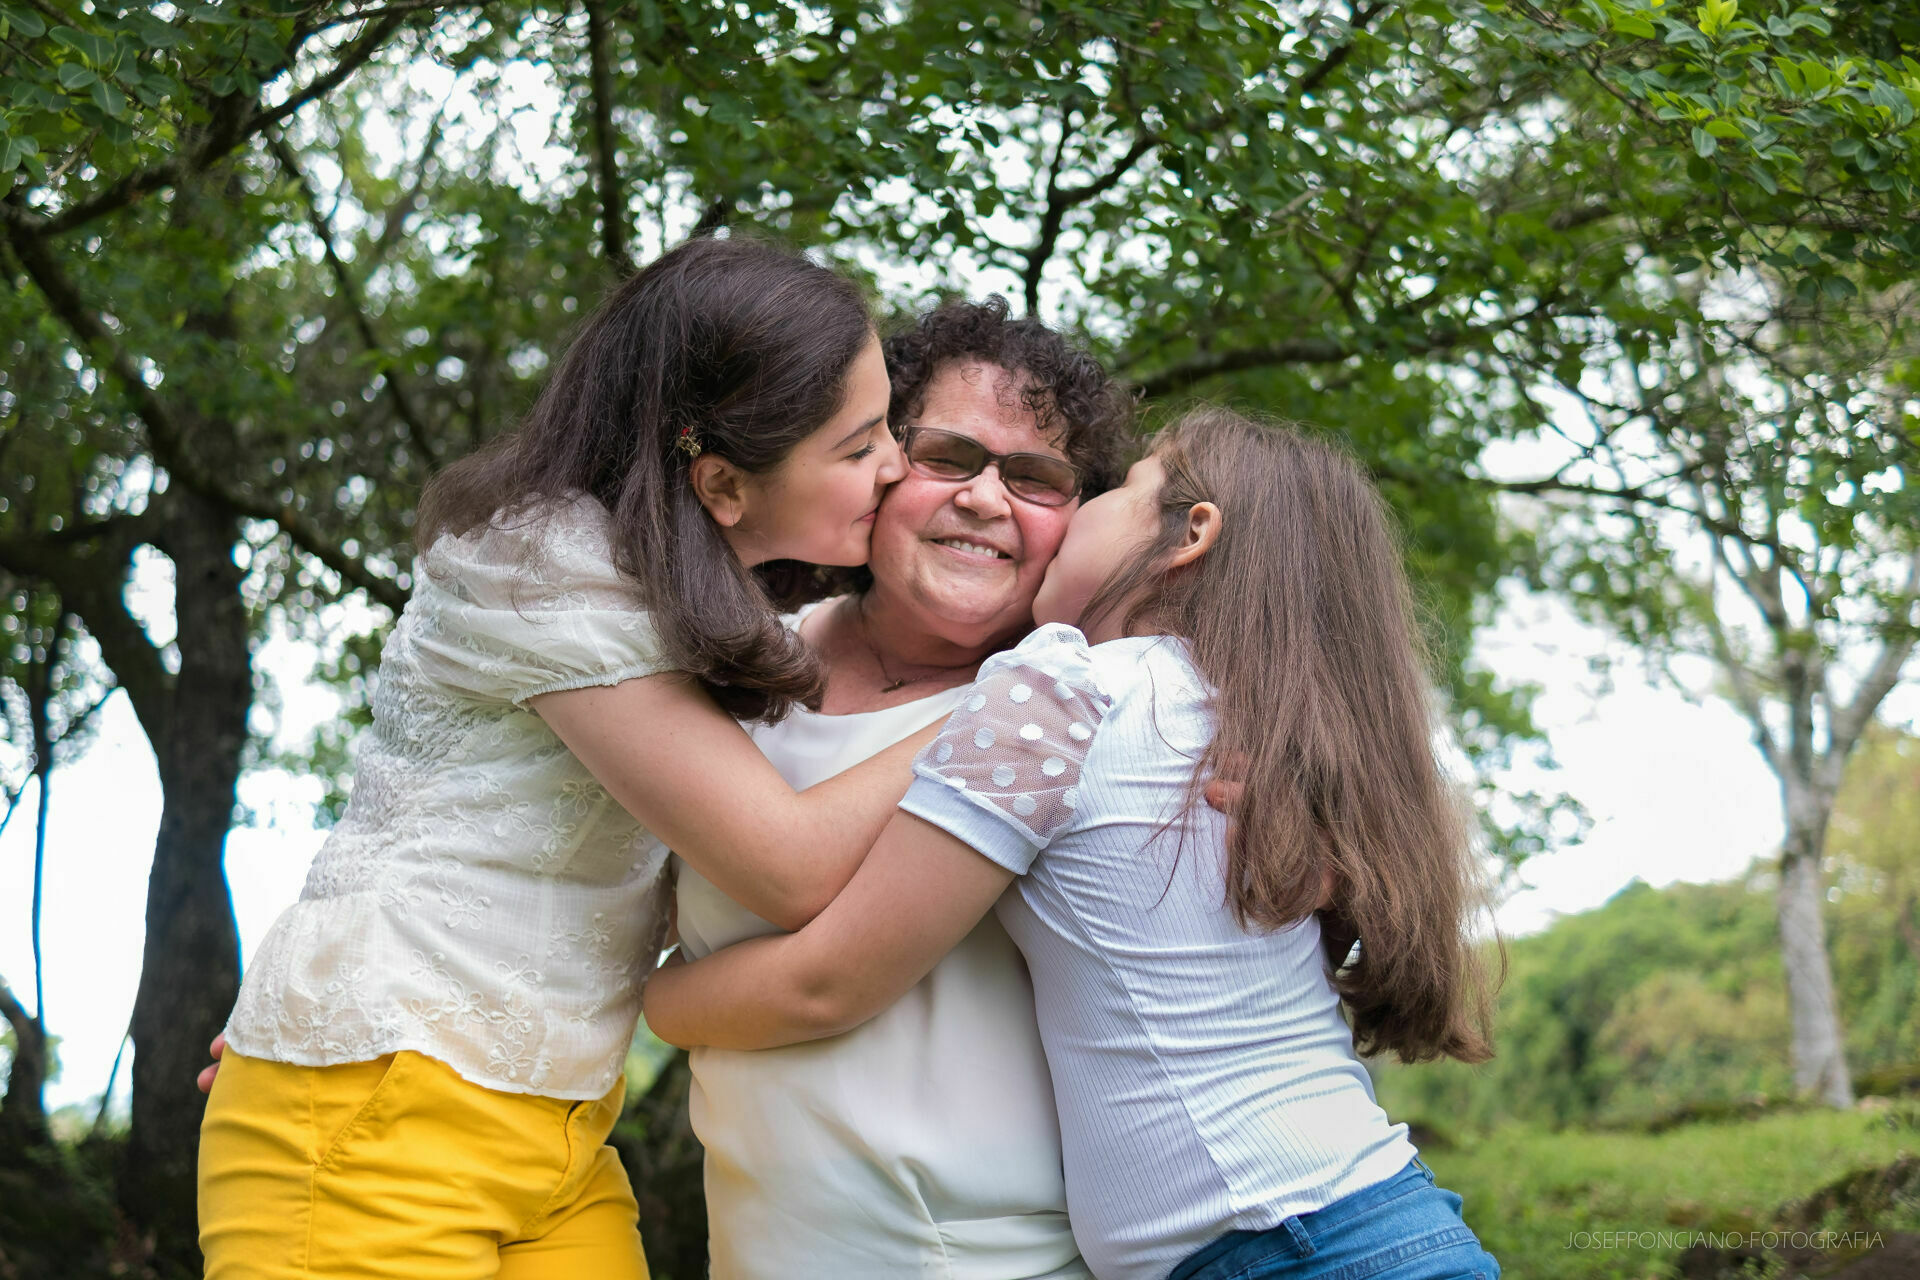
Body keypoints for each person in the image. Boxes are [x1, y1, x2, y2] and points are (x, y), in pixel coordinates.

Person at [197, 235, 941, 1280]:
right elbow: (789, 861)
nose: (897, 466)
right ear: (723, 482)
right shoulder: (545, 566)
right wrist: (1030, 694)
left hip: (548, 1124)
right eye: (861, 446)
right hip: (384, 1110)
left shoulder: (682, 591)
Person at [643, 407, 1504, 1280]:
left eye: (1120, 488)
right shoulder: (1244, 717)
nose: (1080, 514)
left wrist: (651, 997)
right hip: (1370, 1218)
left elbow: (829, 981)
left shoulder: (1060, 691)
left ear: (1191, 533)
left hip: (1286, 1247)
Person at [677, 297, 1130, 1278]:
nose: (986, 498)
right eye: (950, 455)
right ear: (877, 463)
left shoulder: (1093, 714)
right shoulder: (731, 670)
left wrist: (655, 1000)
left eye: (1038, 477)